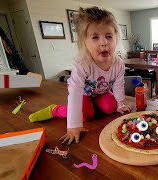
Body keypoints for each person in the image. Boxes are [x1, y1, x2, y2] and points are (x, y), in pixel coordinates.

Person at [28, 6, 131, 144]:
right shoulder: (82, 63)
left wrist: (120, 103)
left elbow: (118, 84)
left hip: (101, 92)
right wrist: (73, 126)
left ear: (116, 39)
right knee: (86, 115)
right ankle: (55, 110)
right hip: (83, 93)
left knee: (110, 108)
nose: (104, 42)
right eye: (95, 37)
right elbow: (75, 93)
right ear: (84, 43)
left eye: (108, 36)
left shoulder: (118, 63)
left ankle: (96, 106)